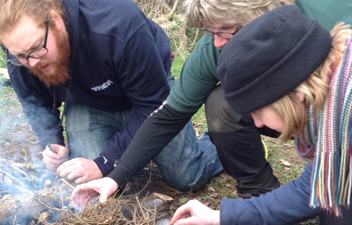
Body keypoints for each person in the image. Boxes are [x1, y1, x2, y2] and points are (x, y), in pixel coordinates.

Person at [70, 0, 352, 206]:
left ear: (259, 12)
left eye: (225, 31)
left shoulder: (330, 13)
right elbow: (170, 114)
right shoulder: (216, 48)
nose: (218, 43)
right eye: (212, 33)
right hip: (288, 117)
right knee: (223, 102)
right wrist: (116, 175)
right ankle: (259, 192)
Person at [169, 5, 352, 225]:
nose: (256, 123)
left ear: (295, 93)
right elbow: (314, 188)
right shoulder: (344, 90)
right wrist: (223, 217)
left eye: (258, 111)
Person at [0, 0, 222, 191]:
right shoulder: (22, 53)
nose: (32, 63)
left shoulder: (117, 24)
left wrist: (104, 163)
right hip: (87, 101)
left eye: (36, 49)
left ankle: (217, 141)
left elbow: (150, 104)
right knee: (89, 183)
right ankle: (130, 153)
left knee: (187, 178)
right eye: (21, 56)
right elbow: (35, 102)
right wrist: (52, 143)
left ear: (56, 21)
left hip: (148, 96)